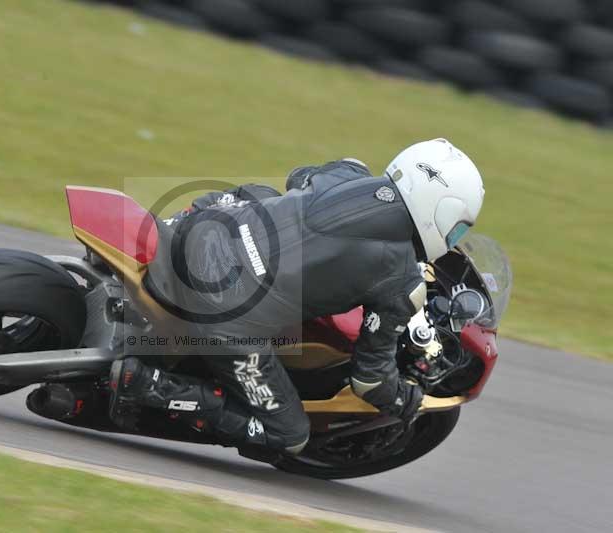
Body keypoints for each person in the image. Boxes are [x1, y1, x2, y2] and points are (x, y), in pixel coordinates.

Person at [108, 138, 485, 459]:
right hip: (223, 316)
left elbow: (299, 176)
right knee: (289, 435)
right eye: (458, 228)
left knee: (264, 196)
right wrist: (406, 402)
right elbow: (369, 380)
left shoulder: (348, 176)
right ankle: (149, 383)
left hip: (197, 234)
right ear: (440, 213)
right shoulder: (399, 282)